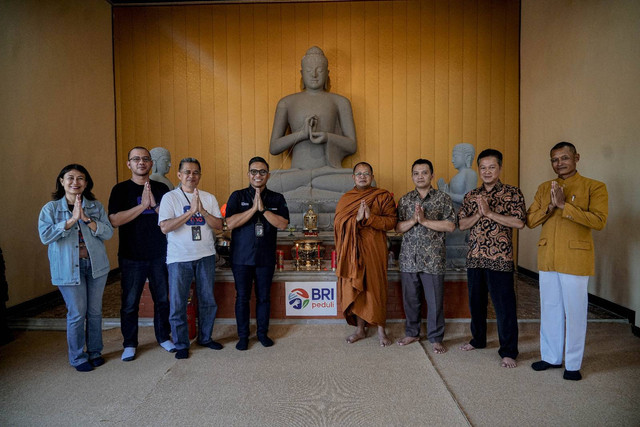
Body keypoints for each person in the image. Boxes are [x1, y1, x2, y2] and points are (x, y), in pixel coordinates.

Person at [527, 142, 608, 381]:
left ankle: (572, 364)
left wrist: (565, 206)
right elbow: (530, 220)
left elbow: (599, 221)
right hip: (548, 256)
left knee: (575, 311)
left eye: (564, 158)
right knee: (550, 308)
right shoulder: (544, 188)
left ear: (576, 158)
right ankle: (551, 357)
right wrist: (551, 206)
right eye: (554, 160)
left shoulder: (594, 186)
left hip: (575, 257)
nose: (559, 163)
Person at [38, 164, 114, 371]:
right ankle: (78, 357)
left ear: (86, 183)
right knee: (77, 313)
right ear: (61, 181)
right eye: (70, 178)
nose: (75, 182)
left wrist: (86, 219)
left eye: (80, 178)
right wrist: (71, 220)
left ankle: (95, 351)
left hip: (96, 266)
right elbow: (45, 236)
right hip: (68, 268)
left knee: (95, 311)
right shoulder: (51, 209)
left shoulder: (95, 206)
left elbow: (108, 233)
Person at [458, 149, 525, 368]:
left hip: (500, 259)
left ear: (500, 168)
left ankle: (508, 351)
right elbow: (462, 225)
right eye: (483, 168)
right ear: (479, 169)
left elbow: (519, 222)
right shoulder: (471, 196)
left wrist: (490, 214)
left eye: (492, 167)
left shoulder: (513, 193)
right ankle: (478, 340)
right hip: (475, 258)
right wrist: (479, 213)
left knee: (504, 307)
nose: (487, 172)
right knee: (476, 304)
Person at [108, 146, 174, 362]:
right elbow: (115, 220)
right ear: (129, 164)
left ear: (151, 163)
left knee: (162, 300)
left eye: (145, 159)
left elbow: (168, 220)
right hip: (131, 255)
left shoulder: (162, 188)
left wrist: (153, 206)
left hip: (159, 253)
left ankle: (164, 337)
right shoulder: (120, 190)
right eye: (136, 159)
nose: (141, 162)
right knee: (129, 303)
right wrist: (141, 206)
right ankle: (129, 343)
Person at [268, 46, 357, 203]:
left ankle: (308, 185)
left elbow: (352, 145)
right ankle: (310, 184)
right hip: (298, 172)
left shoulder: (340, 102)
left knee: (361, 182)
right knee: (269, 183)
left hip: (328, 174)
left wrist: (327, 137)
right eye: (309, 71)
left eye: (319, 70)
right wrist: (301, 134)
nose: (314, 75)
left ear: (327, 73)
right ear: (302, 73)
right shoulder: (286, 102)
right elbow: (274, 147)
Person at [158, 158, 223, 359]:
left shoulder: (208, 197)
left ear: (200, 176)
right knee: (178, 303)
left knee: (207, 300)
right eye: (187, 172)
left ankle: (205, 337)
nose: (191, 176)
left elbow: (219, 225)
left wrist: (201, 211)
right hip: (179, 257)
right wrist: (191, 213)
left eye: (195, 172)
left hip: (205, 255)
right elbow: (165, 227)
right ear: (179, 175)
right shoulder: (170, 198)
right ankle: (181, 344)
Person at [225, 157, 289, 351]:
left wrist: (264, 210)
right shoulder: (238, 196)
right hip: (241, 258)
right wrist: (253, 209)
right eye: (254, 171)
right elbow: (229, 223)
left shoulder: (277, 198)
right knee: (242, 297)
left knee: (264, 297)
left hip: (265, 258)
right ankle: (243, 336)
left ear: (268, 175)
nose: (258, 175)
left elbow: (283, 224)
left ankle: (262, 333)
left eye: (262, 172)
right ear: (248, 174)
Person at [395, 159, 456, 353]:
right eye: (416, 173)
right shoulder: (405, 200)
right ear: (412, 176)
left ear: (432, 175)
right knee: (411, 300)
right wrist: (414, 219)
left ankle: (436, 337)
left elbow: (450, 225)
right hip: (408, 259)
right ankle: (412, 332)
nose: (420, 176)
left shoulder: (443, 198)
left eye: (424, 172)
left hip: (434, 259)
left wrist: (425, 220)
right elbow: (398, 228)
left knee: (435, 301)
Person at [334, 162, 397, 346]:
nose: (362, 176)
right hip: (352, 251)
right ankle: (360, 329)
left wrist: (371, 218)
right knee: (357, 286)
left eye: (366, 173)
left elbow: (391, 222)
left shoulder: (382, 196)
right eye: (359, 173)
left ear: (372, 176)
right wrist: (356, 219)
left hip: (375, 250)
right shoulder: (346, 198)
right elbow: (338, 224)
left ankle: (381, 330)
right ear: (353, 177)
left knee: (376, 288)